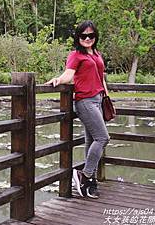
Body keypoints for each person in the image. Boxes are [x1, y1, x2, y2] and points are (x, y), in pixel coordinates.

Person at [45, 20, 110, 199]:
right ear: (78, 37)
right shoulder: (75, 55)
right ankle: (84, 174)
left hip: (98, 100)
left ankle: (90, 183)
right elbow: (69, 74)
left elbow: (101, 77)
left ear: (95, 37)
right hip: (85, 102)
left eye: (91, 35)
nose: (87, 38)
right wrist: (58, 80)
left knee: (92, 141)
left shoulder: (96, 53)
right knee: (103, 138)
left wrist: (106, 96)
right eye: (84, 35)